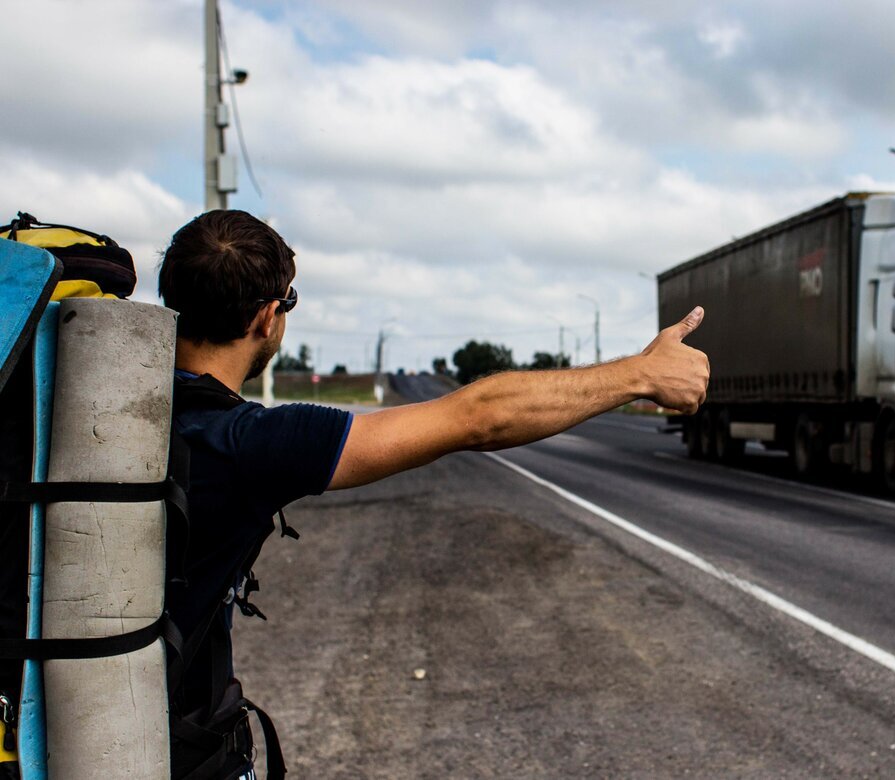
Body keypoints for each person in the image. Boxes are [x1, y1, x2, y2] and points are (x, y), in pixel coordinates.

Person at [157, 209, 709, 779]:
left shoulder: (106, 417)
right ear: (268, 317)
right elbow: (479, 417)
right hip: (183, 756)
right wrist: (641, 373)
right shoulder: (252, 443)